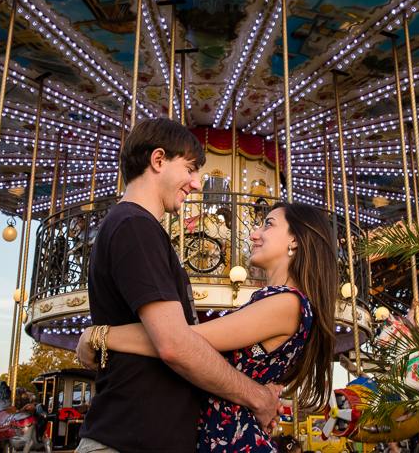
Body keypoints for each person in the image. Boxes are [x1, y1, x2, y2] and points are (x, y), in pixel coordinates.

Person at [71, 118, 287, 453]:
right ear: (158, 160)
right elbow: (174, 343)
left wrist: (100, 335)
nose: (197, 184)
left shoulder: (136, 228)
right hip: (132, 435)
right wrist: (258, 397)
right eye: (190, 169)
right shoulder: (134, 227)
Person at [78, 191, 337, 450]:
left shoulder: (286, 302)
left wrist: (100, 335)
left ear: (296, 239)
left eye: (268, 224)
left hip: (232, 441)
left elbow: (180, 340)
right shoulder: (280, 302)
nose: (254, 234)